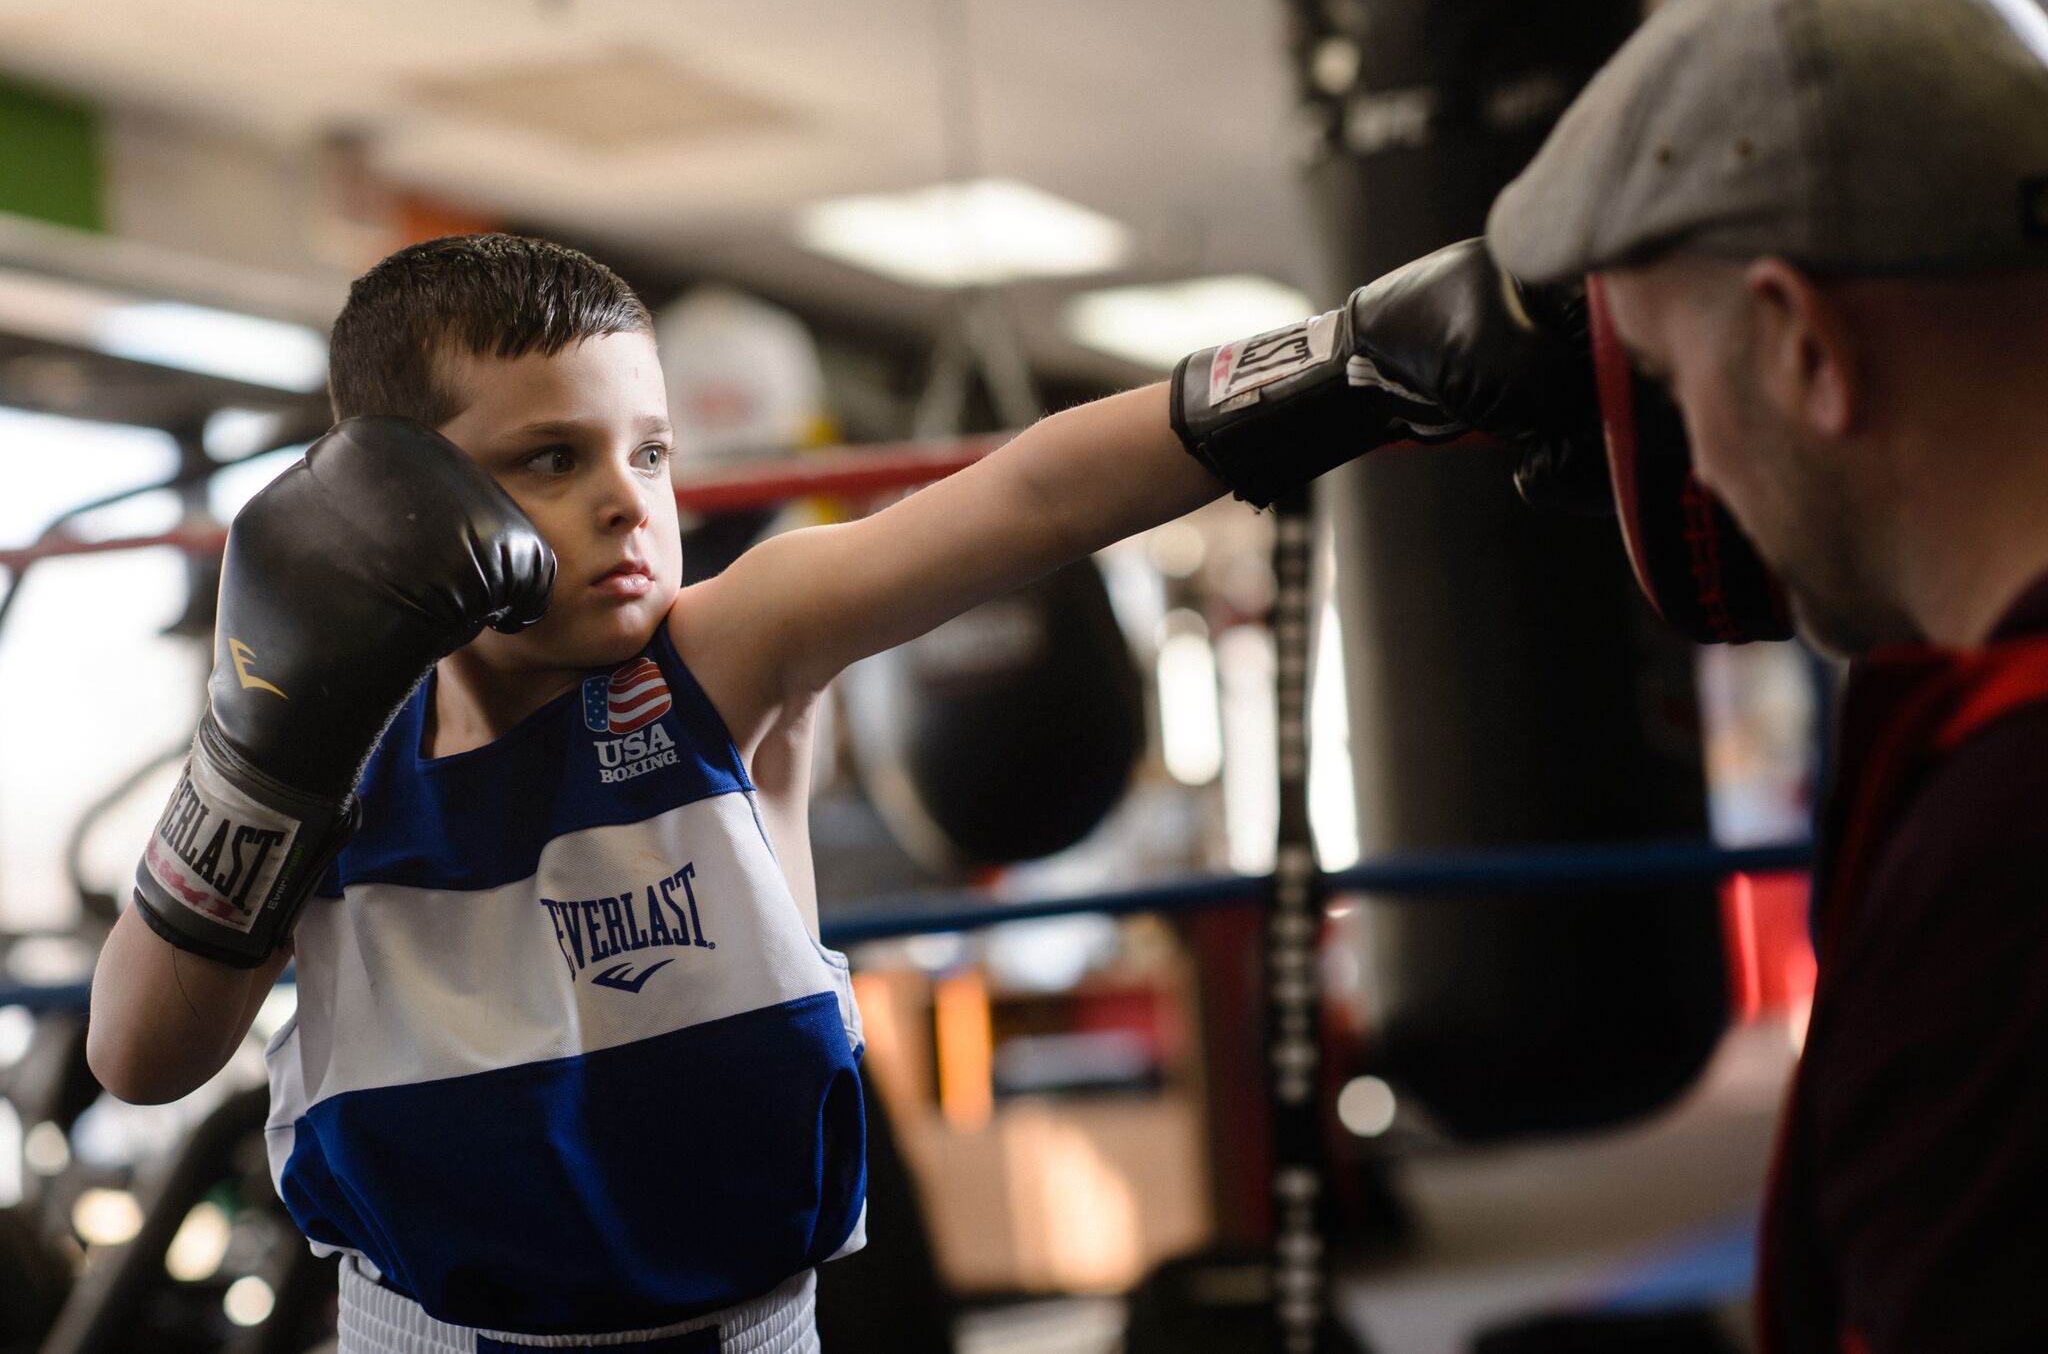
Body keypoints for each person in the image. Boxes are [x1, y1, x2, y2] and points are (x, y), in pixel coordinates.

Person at [85, 231, 1571, 1352]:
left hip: (755, 1329)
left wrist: (1340, 366)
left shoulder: (725, 652)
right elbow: (142, 1056)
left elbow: (1027, 498)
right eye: (550, 458)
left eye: (649, 452)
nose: (628, 500)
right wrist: (260, 765)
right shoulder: (323, 751)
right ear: (398, 494)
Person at [1482, 0, 2048, 1349]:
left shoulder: (2003, 861)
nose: (1705, 474)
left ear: (1806, 349)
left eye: (1677, 390)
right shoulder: (1975, 749)